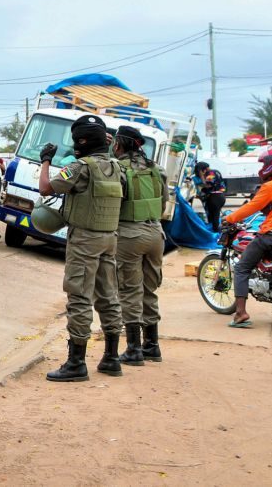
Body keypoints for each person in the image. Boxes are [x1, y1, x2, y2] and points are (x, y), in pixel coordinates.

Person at [38, 115, 125, 382]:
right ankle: (111, 358)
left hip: (84, 240)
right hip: (109, 238)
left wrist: (46, 160)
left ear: (81, 141)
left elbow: (45, 188)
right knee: (108, 295)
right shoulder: (116, 167)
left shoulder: (80, 168)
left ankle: (76, 362)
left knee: (79, 297)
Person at [222, 146, 272, 329]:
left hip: (271, 237)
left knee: (242, 267)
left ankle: (240, 313)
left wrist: (228, 218)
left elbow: (250, 207)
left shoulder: (271, 186)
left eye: (265, 163)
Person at [113, 126, 168, 365]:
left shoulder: (119, 169)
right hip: (156, 232)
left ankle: (133, 349)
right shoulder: (156, 169)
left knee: (129, 290)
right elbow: (164, 202)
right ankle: (152, 346)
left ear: (119, 145)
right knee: (149, 289)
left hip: (129, 234)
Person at [195, 161, 227, 232]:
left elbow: (208, 185)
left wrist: (201, 176)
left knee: (214, 217)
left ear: (203, 169)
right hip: (220, 196)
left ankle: (215, 234)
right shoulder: (216, 171)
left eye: (199, 171)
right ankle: (215, 232)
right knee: (214, 215)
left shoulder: (211, 173)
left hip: (215, 196)